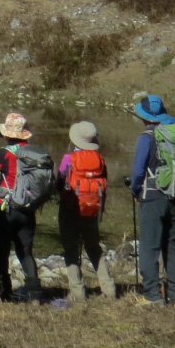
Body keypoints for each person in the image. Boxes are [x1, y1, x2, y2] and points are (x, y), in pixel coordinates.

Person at [0, 111, 50, 303]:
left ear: (7, 135)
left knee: (1, 251)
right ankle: (34, 292)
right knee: (25, 251)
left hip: (5, 209)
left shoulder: (5, 154)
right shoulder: (35, 152)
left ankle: (3, 291)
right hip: (27, 208)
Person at [129, 93, 175, 306]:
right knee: (172, 244)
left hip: (152, 196)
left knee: (149, 247)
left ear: (144, 116)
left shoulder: (146, 137)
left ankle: (153, 295)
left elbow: (139, 171)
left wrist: (135, 189)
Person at [57, 120, 117, 300]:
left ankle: (77, 292)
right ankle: (109, 289)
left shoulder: (68, 159)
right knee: (94, 249)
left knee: (71, 249)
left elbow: (59, 183)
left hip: (70, 208)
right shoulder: (100, 160)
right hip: (92, 210)